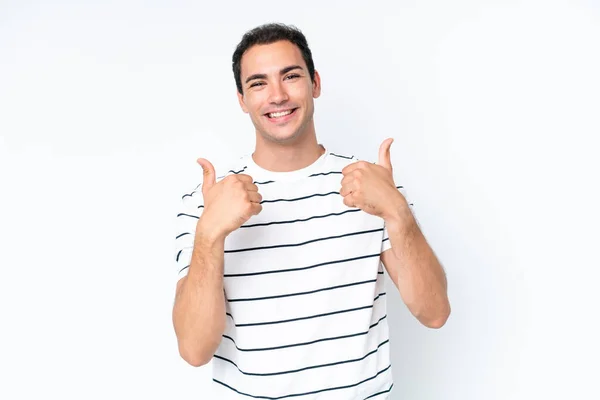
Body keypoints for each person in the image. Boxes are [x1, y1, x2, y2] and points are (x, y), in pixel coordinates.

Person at [172, 23, 450, 399]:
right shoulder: (207, 203)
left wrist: (397, 211)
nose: (278, 95)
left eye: (291, 76)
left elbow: (434, 313)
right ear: (241, 99)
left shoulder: (373, 187)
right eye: (258, 83)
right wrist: (209, 235)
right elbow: (193, 350)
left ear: (315, 83)